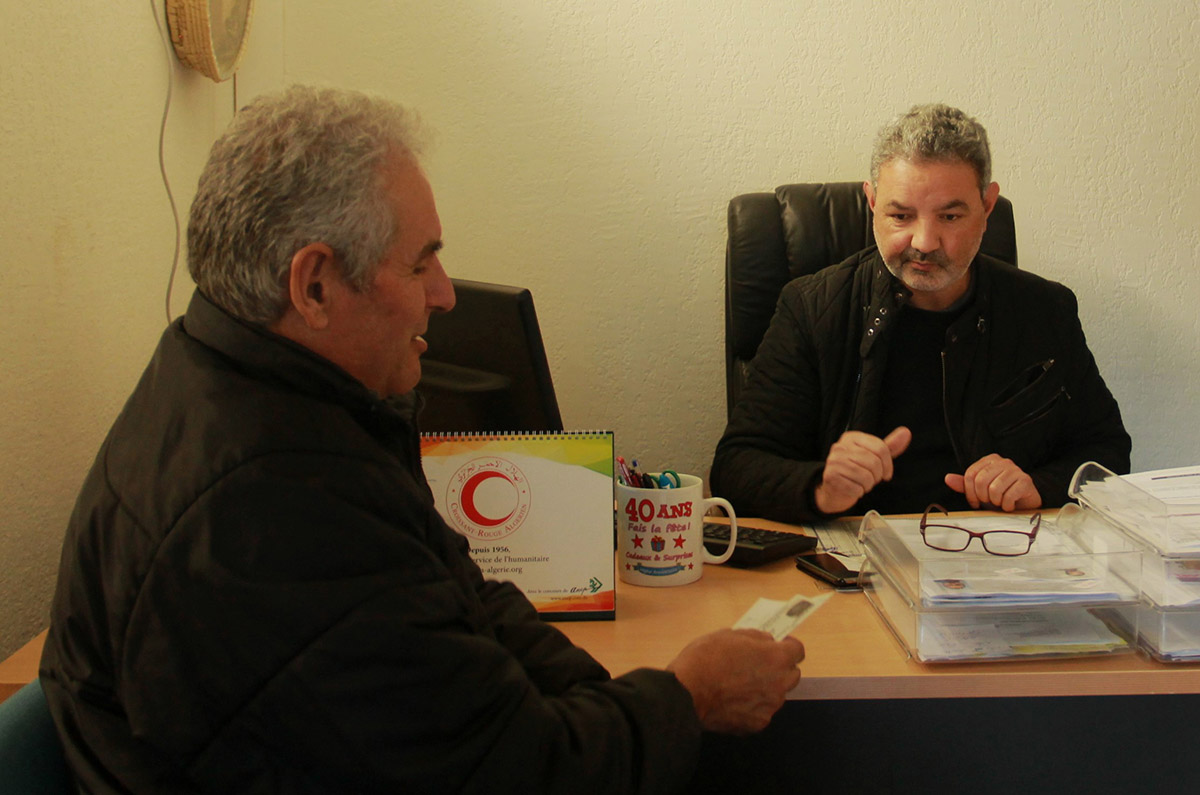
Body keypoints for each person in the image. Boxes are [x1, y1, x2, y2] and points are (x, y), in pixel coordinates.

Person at [40, 85, 805, 794]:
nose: (443, 293)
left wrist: (601, 695)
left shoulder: (233, 378)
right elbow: (519, 773)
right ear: (312, 286)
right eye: (420, 261)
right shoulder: (276, 508)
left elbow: (460, 593)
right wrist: (685, 698)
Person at [711, 103, 1130, 524]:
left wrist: (1038, 486)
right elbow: (736, 467)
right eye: (900, 216)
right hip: (855, 560)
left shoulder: (1045, 309)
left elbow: (1107, 450)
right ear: (872, 203)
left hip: (995, 551)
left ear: (987, 206)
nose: (925, 241)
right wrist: (821, 486)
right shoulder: (813, 308)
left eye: (949, 215)